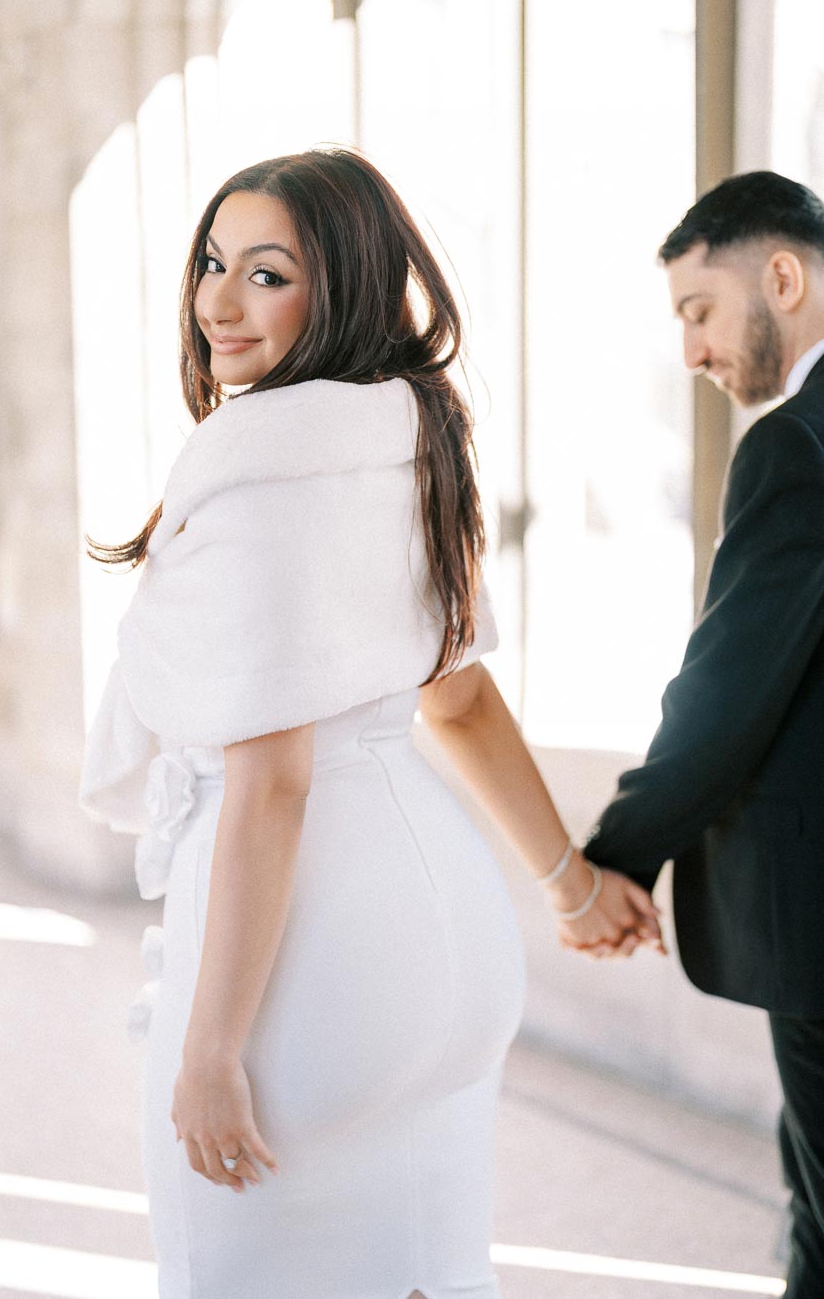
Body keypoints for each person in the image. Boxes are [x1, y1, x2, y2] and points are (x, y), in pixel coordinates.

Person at [79, 147, 659, 1298]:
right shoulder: (413, 440)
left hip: (316, 953)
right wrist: (569, 882)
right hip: (447, 943)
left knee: (238, 1270)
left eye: (267, 273)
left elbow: (273, 786)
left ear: (338, 287)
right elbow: (458, 694)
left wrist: (209, 1051)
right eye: (211, 263)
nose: (218, 302)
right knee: (427, 1269)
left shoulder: (257, 468)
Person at [582, 171, 824, 1296]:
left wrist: (613, 855)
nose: (691, 352)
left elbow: (726, 693)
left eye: (699, 312)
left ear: (784, 276)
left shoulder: (799, 451)